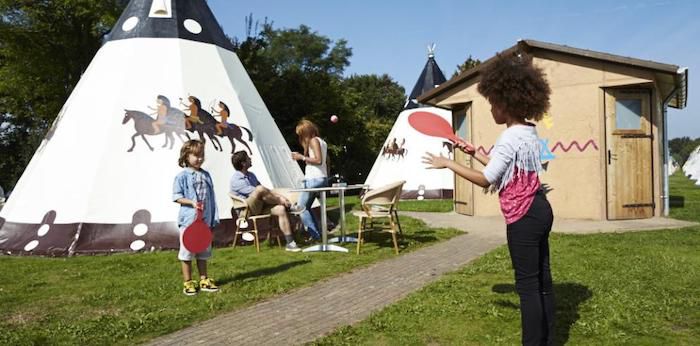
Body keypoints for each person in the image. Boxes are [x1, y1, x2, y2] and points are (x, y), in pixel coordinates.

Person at [422, 52, 555, 346]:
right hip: (541, 209)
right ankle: (548, 339)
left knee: (528, 286)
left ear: (506, 102)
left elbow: (488, 179)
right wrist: (475, 154)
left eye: (493, 102)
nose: (491, 108)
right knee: (543, 282)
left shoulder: (509, 137)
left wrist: (449, 163)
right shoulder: (528, 132)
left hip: (524, 215)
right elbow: (505, 168)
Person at [230, 151, 302, 252]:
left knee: (280, 209)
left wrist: (279, 196)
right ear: (243, 163)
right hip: (246, 210)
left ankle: (290, 243)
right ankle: (289, 206)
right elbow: (257, 191)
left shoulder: (251, 175)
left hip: (260, 205)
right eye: (248, 158)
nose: (250, 159)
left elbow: (266, 192)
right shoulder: (236, 180)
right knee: (259, 189)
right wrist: (279, 198)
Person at [172, 139, 219, 296]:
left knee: (203, 251)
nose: (199, 159)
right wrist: (191, 203)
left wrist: (213, 218)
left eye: (202, 155)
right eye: (196, 155)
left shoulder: (206, 175)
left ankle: (204, 279)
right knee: (187, 251)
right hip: (189, 222)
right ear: (186, 156)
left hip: (204, 221)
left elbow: (211, 198)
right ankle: (188, 281)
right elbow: (176, 196)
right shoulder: (182, 176)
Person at [291, 119, 329, 241]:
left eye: (302, 134)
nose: (301, 137)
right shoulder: (322, 142)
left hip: (313, 179)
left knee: (301, 208)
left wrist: (301, 157)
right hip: (321, 177)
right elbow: (326, 161)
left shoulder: (313, 141)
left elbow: (318, 160)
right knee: (306, 207)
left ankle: (315, 236)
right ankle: (318, 233)